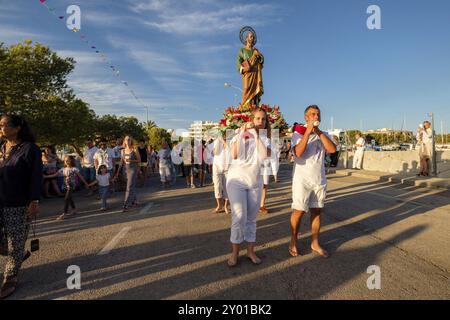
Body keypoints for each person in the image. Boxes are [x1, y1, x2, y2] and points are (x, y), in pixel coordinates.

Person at [0, 115, 42, 299]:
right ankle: (18, 253)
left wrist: (34, 201)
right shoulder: (2, 148)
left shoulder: (30, 149)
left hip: (17, 202)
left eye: (3, 125)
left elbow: (35, 176)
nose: (0, 128)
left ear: (17, 128)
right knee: (11, 245)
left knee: (15, 240)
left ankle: (10, 277)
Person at [226, 108, 272, 267]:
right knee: (239, 217)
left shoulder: (264, 137)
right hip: (236, 180)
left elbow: (265, 156)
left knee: (251, 219)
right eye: (258, 118)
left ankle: (250, 251)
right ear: (251, 119)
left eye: (263, 119)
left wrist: (256, 135)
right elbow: (234, 154)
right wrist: (242, 133)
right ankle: (234, 253)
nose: (260, 122)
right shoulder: (238, 132)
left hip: (255, 182)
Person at [289, 105, 336, 259]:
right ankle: (293, 241)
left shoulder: (324, 134)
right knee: (299, 211)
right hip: (302, 179)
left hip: (319, 179)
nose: (316, 117)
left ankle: (315, 242)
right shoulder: (297, 133)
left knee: (317, 211)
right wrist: (308, 132)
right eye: (312, 114)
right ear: (306, 118)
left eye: (318, 114)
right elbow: (298, 153)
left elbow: (332, 150)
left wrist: (319, 132)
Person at [45, 155, 89, 221]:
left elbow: (81, 177)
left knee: (66, 199)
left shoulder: (74, 169)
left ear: (71, 161)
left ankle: (64, 213)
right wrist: (45, 176)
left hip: (71, 185)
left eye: (68, 160)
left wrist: (86, 183)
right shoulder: (63, 169)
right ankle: (74, 209)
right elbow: (55, 175)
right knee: (69, 198)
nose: (67, 161)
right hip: (65, 185)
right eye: (65, 160)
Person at [237, 29, 264, 107]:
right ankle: (246, 107)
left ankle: (255, 106)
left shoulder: (255, 50)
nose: (252, 38)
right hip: (247, 73)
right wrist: (242, 68)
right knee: (246, 88)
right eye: (251, 37)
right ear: (246, 38)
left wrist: (259, 57)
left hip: (256, 73)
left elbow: (261, 59)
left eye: (253, 37)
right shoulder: (242, 50)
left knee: (256, 91)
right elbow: (239, 62)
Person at [115, 136, 141, 212]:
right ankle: (134, 201)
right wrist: (117, 172)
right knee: (130, 186)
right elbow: (121, 162)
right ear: (124, 141)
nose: (128, 140)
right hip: (125, 170)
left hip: (133, 169)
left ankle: (125, 205)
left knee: (129, 187)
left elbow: (139, 160)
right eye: (126, 139)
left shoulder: (134, 149)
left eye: (129, 139)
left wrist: (131, 160)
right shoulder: (122, 151)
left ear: (131, 141)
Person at [212, 134, 230, 214]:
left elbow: (230, 150)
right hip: (217, 166)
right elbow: (215, 152)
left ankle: (226, 206)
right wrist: (219, 141)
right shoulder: (217, 140)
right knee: (217, 186)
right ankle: (219, 205)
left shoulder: (232, 140)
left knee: (227, 187)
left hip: (228, 166)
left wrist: (223, 141)